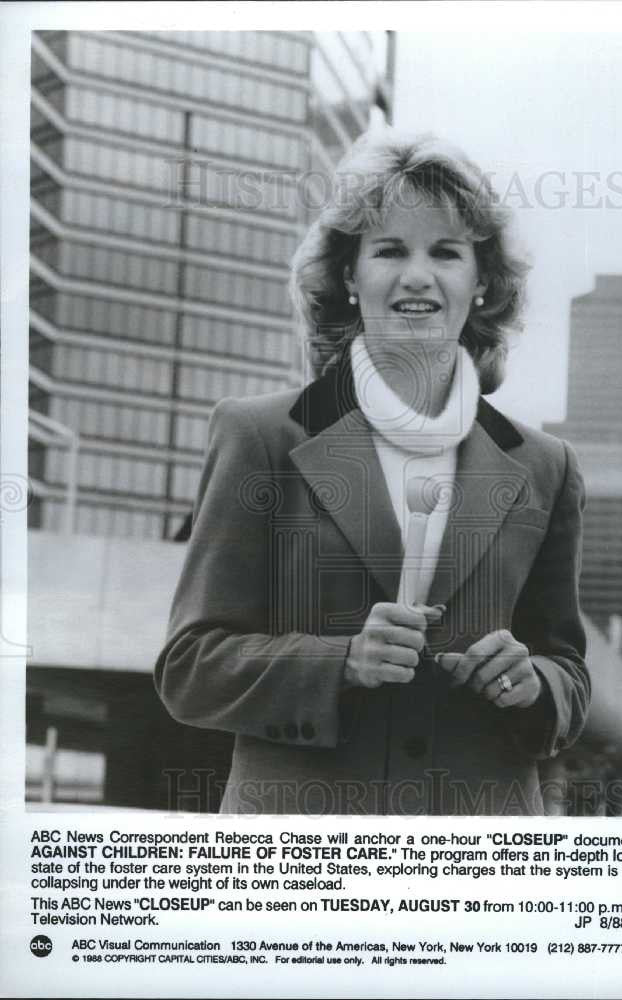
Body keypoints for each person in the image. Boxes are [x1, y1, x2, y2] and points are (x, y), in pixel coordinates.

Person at [154, 130, 590, 816]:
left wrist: (533, 682)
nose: (417, 275)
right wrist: (340, 662)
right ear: (350, 278)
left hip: (480, 871)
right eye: (389, 250)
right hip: (295, 870)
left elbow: (568, 672)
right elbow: (190, 670)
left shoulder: (545, 466)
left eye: (445, 252)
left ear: (480, 285)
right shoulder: (260, 435)